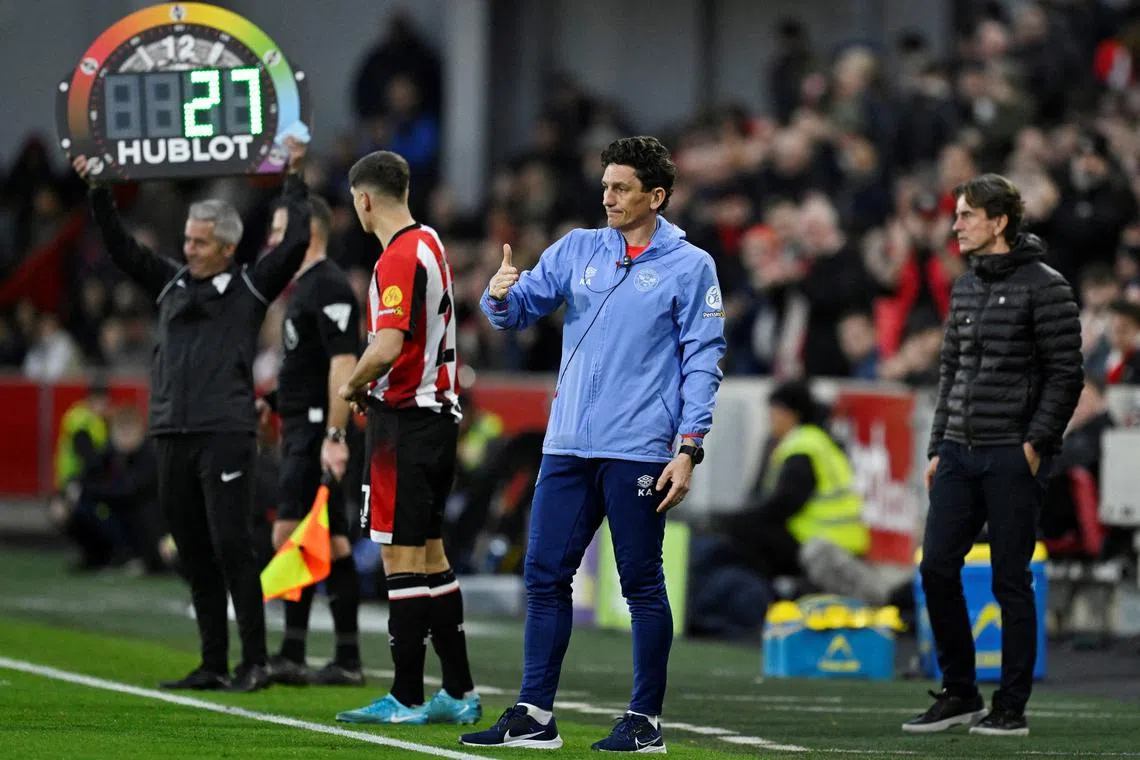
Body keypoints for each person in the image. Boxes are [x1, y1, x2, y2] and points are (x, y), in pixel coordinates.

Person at [461, 136, 726, 752]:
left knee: (640, 583)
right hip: (568, 444)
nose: (606, 196)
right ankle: (533, 714)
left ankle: (645, 721)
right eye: (605, 185)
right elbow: (517, 313)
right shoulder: (578, 248)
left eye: (621, 188)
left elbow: (704, 360)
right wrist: (498, 293)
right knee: (543, 575)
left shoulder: (692, 267)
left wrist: (688, 447)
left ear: (655, 196)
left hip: (640, 449)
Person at [70, 138, 312, 693]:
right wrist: (100, 191)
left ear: (227, 247)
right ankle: (211, 662)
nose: (190, 249)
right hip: (171, 434)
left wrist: (294, 179)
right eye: (187, 240)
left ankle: (254, 662)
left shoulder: (250, 287)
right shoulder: (171, 284)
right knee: (193, 551)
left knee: (232, 546)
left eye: (200, 242)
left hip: (225, 433)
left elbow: (295, 241)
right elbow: (121, 248)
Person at [906, 174, 1082, 737]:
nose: (955, 225)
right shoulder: (965, 286)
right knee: (935, 567)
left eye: (965, 216)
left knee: (1011, 581)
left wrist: (1035, 444)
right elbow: (951, 372)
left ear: (999, 222)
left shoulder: (1046, 286)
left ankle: (1011, 706)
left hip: (1013, 453)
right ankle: (960, 693)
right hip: (959, 450)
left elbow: (1065, 375)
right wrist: (938, 444)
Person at [332, 150, 480, 726]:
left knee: (400, 558)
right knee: (432, 555)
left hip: (406, 422)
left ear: (364, 199)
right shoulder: (431, 243)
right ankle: (460, 692)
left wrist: (351, 384)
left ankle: (407, 696)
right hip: (437, 418)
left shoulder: (396, 257)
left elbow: (389, 345)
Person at [258, 193, 364, 686]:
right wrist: (276, 402)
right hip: (304, 426)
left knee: (292, 534)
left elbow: (344, 366)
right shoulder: (305, 288)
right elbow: (310, 368)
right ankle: (338, 657)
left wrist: (333, 434)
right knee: (332, 541)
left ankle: (297, 652)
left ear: (310, 232)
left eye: (281, 233)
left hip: (319, 432)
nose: (272, 242)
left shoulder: (330, 287)